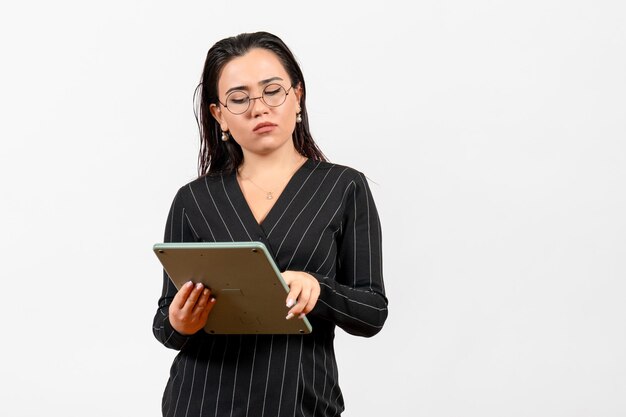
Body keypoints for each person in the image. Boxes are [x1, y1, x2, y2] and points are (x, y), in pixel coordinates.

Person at [152, 31, 388, 417]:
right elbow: (166, 323)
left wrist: (318, 289)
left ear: (297, 96)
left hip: (298, 400)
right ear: (219, 115)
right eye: (239, 99)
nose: (258, 108)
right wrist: (179, 320)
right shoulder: (193, 200)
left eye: (272, 91)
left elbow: (372, 312)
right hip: (199, 401)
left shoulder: (343, 186)